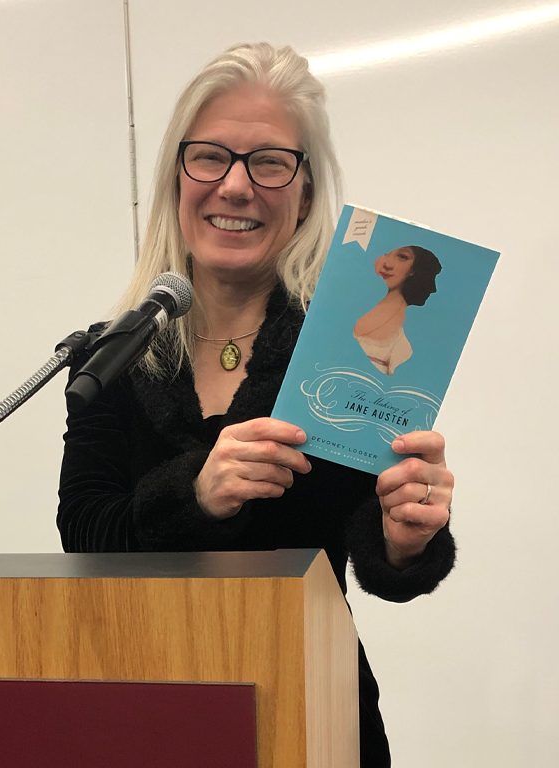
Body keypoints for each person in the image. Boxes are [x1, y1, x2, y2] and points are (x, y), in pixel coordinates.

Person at [58, 43, 455, 767]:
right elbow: (85, 538)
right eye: (210, 157)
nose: (236, 187)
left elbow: (378, 560)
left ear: (304, 192)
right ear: (176, 178)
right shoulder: (112, 355)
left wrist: (407, 536)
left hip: (310, 711)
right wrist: (194, 493)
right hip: (143, 714)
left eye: (270, 162)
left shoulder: (344, 349)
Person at [354, 245, 442, 375]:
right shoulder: (347, 301)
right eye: (385, 253)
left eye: (402, 257)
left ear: (414, 269)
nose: (387, 264)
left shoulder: (405, 339)